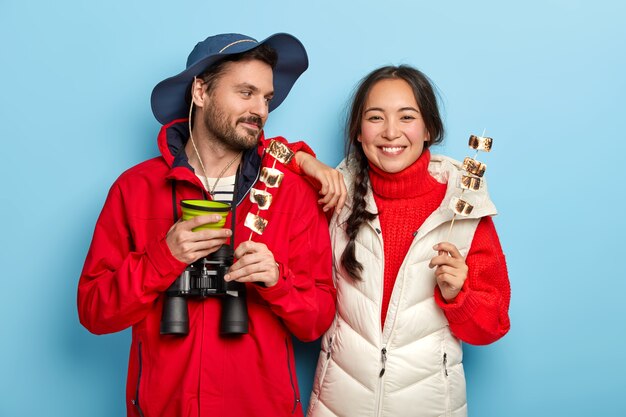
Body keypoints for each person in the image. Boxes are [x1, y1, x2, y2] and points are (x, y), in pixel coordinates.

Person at [77, 32, 337, 417]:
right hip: (166, 407)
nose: (261, 110)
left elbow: (316, 322)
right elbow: (95, 312)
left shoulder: (290, 192)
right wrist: (162, 258)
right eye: (245, 93)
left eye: (266, 98)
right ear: (200, 91)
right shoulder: (135, 189)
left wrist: (276, 280)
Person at [297, 65, 511, 417]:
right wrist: (306, 161)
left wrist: (459, 296)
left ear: (428, 129)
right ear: (358, 132)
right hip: (338, 405)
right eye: (376, 117)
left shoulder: (463, 207)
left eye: (407, 117)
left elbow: (493, 326)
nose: (391, 132)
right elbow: (263, 154)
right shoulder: (334, 196)